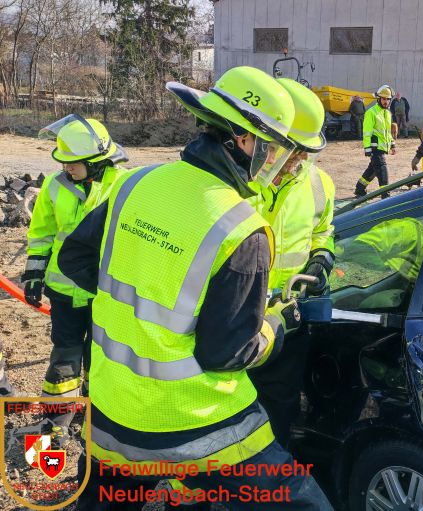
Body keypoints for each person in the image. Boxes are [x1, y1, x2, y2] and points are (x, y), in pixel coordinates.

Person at [58, 66, 332, 510]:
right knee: (303, 503)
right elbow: (226, 353)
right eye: (275, 149)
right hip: (198, 424)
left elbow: (74, 258)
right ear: (245, 140)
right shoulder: (241, 229)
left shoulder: (135, 183)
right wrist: (274, 326)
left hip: (112, 413)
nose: (277, 163)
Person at [22, 114, 128, 438]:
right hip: (63, 291)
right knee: (65, 355)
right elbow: (41, 234)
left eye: (72, 162)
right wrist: (33, 275)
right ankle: (55, 424)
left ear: (95, 161)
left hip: (104, 293)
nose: (65, 167)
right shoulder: (54, 186)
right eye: (63, 161)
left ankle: (95, 416)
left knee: (100, 357)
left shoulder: (124, 186)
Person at [248, 77, 335, 448]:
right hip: (237, 315)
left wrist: (322, 257)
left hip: (286, 318)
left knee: (279, 405)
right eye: (290, 150)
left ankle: (271, 465)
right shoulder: (239, 181)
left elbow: (323, 230)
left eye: (303, 152)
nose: (296, 160)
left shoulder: (320, 184)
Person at [354, 84, 395, 199]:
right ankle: (385, 196)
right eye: (383, 99)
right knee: (382, 171)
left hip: (383, 148)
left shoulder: (388, 113)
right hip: (375, 149)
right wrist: (367, 148)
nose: (386, 101)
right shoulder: (371, 112)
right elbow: (367, 132)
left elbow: (387, 132)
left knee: (372, 170)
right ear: (379, 99)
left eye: (388, 99)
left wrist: (392, 144)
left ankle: (360, 189)